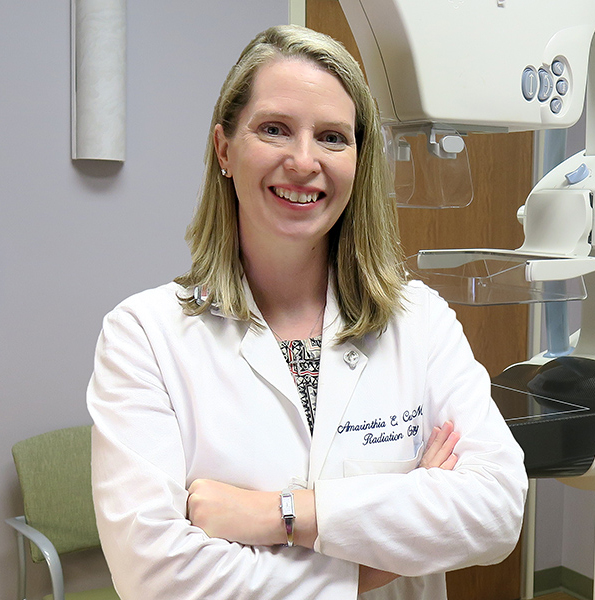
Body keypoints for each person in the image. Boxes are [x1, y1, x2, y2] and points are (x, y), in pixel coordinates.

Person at [87, 24, 528, 600]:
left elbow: (496, 510)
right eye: (274, 129)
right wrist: (388, 550)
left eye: (332, 137)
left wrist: (281, 515)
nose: (303, 161)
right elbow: (159, 578)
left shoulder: (420, 320)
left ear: (358, 160)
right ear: (224, 149)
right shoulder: (143, 335)